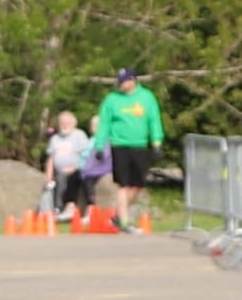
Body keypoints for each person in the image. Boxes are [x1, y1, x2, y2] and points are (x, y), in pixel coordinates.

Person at [92, 68, 164, 233]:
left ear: (133, 80)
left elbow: (154, 120)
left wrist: (157, 142)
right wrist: (100, 145)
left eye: (124, 81)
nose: (121, 85)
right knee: (123, 184)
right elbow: (104, 123)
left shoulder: (146, 97)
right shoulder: (112, 99)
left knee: (138, 183)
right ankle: (124, 222)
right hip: (120, 145)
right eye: (119, 82)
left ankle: (118, 215)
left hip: (140, 145)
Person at [44, 110, 91, 221]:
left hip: (77, 169)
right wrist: (48, 176)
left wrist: (75, 167)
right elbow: (50, 159)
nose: (64, 125)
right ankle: (54, 210)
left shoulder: (79, 135)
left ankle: (61, 208)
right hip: (59, 171)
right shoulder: (55, 138)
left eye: (67, 122)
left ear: (74, 123)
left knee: (64, 178)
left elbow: (86, 155)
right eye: (62, 122)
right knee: (53, 182)